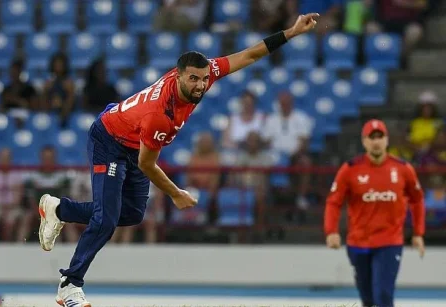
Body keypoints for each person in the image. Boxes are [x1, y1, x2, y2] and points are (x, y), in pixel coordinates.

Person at [38, 13, 319, 307]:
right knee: (106, 219)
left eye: (204, 79)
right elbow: (147, 165)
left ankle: (59, 209)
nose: (200, 85)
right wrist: (176, 194)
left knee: (132, 214)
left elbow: (250, 54)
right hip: (109, 139)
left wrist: (292, 32)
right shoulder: (162, 115)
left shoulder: (205, 74)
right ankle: (70, 284)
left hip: (133, 138)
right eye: (194, 79)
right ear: (180, 75)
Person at [324, 119, 426, 307]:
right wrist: (331, 231)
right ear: (364, 142)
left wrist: (418, 233)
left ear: (387, 140)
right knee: (368, 298)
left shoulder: (403, 169)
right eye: (372, 137)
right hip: (358, 242)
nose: (376, 142)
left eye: (380, 137)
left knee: (383, 295)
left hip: (389, 242)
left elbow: (417, 199)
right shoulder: (350, 170)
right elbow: (333, 201)